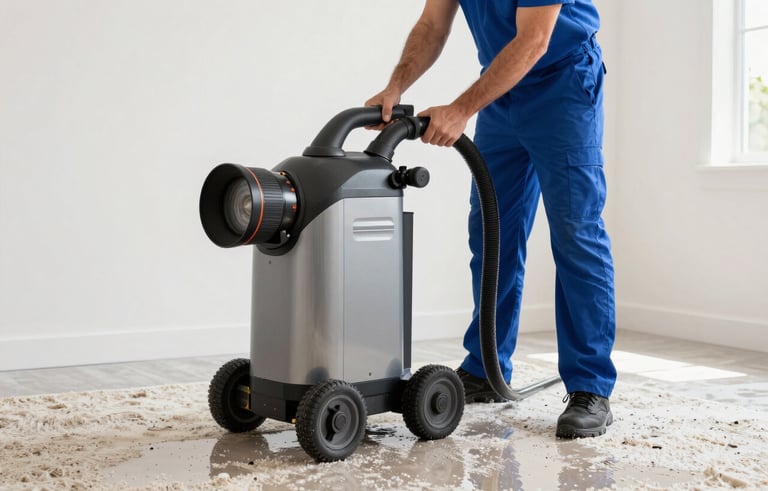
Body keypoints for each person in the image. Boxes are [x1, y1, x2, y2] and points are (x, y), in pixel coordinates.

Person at [366, 0, 616, 439]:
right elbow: (432, 24)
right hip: (502, 91)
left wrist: (461, 109)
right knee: (492, 232)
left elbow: (535, 39)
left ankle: (590, 386)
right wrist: (395, 87)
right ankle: (485, 368)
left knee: (576, 233)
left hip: (563, 85)